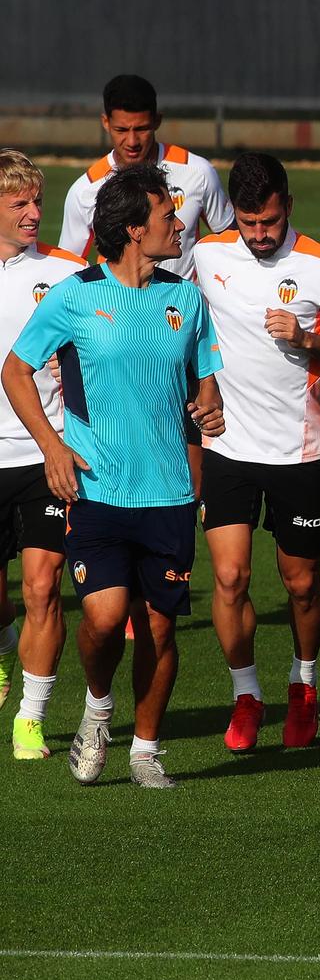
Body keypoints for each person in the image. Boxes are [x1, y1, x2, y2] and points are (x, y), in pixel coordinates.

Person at [2, 165, 226, 789]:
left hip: (170, 493)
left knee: (159, 624)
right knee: (103, 620)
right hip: (96, 488)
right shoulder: (74, 296)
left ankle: (146, 750)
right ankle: (98, 708)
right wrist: (51, 447)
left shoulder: (186, 299)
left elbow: (206, 381)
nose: (180, 225)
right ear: (133, 228)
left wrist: (209, 405)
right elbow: (15, 372)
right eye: (167, 216)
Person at [188, 152, 320, 752]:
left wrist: (310, 338)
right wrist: (201, 387)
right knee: (231, 576)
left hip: (299, 451)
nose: (260, 235)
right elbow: (185, 324)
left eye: (268, 221)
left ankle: (303, 683)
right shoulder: (209, 254)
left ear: (287, 207)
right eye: (248, 222)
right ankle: (246, 694)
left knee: (300, 583)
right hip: (228, 445)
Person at [0, 151, 84, 760]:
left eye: (37, 202)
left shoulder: (65, 273)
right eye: (19, 205)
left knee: (42, 588)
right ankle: (6, 644)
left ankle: (30, 716)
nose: (35, 214)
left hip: (45, 453)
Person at [59, 75, 233, 279]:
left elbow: (232, 244)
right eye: (121, 130)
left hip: (182, 306)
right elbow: (68, 266)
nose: (132, 141)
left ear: (157, 121)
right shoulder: (84, 191)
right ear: (105, 122)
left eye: (141, 129)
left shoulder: (198, 172)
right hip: (118, 307)